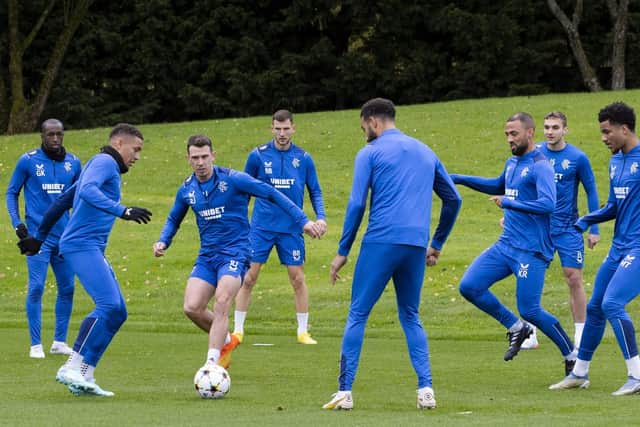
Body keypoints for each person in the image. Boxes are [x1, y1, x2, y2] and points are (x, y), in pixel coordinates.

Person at [323, 98, 461, 411]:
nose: (364, 134)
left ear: (373, 121)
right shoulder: (426, 151)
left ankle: (344, 392)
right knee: (410, 315)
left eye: (364, 128)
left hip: (381, 242)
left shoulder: (369, 153)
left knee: (358, 313)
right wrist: (437, 242)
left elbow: (357, 204)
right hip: (415, 244)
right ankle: (426, 389)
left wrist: (343, 249)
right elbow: (453, 199)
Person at [153, 135, 321, 371]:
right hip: (207, 256)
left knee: (222, 300)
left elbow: (270, 193)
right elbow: (173, 218)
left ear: (213, 155)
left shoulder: (234, 180)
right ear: (188, 159)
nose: (200, 162)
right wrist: (163, 241)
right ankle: (226, 340)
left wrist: (302, 221)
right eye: (195, 158)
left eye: (204, 156)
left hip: (236, 252)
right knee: (192, 307)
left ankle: (212, 363)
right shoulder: (187, 189)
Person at [29, 123, 152, 397]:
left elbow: (63, 200)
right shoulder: (105, 161)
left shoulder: (98, 165)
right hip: (80, 245)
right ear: (119, 144)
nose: (138, 156)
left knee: (118, 311)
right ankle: (71, 365)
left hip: (89, 247)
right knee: (108, 304)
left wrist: (39, 237)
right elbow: (87, 192)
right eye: (136, 149)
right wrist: (123, 210)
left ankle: (85, 373)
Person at [451, 112, 576, 376]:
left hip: (531, 250)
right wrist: (459, 178)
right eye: (507, 134)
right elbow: (497, 185)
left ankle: (572, 355)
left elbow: (547, 204)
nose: (509, 138)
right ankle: (516, 327)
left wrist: (509, 203)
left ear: (530, 133)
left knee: (530, 308)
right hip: (505, 245)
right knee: (470, 286)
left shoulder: (541, 165)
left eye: (514, 133)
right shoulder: (513, 162)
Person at [550, 102, 640, 395]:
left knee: (613, 303)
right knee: (596, 307)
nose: (603, 138)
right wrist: (585, 221)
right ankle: (579, 373)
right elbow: (614, 206)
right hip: (619, 247)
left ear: (624, 129)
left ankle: (637, 376)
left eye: (607, 131)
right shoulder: (616, 162)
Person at [232, 110, 327, 345]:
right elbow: (244, 189)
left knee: (297, 278)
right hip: (261, 228)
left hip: (293, 228)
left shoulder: (304, 158)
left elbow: (314, 190)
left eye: (286, 129)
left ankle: (303, 331)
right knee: (249, 277)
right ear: (271, 128)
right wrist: (240, 221)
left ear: (293, 128)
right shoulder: (257, 156)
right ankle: (238, 330)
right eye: (277, 128)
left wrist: (321, 217)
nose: (282, 133)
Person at [521, 111, 600, 350]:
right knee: (530, 276)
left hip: (568, 228)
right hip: (538, 227)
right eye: (546, 127)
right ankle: (529, 333)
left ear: (565, 130)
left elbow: (592, 190)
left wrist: (594, 227)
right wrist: (511, 215)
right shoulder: (534, 155)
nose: (550, 131)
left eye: (555, 127)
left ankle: (580, 335)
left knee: (574, 278)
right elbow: (521, 185)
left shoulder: (578, 157)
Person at [5, 119, 82, 359]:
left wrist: (78, 227)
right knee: (37, 287)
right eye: (51, 134)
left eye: (59, 134)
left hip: (65, 237)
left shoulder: (74, 163)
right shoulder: (28, 161)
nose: (55, 139)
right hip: (38, 237)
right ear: (42, 135)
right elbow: (11, 192)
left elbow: (82, 196)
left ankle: (59, 341)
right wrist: (18, 224)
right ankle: (35, 344)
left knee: (68, 288)